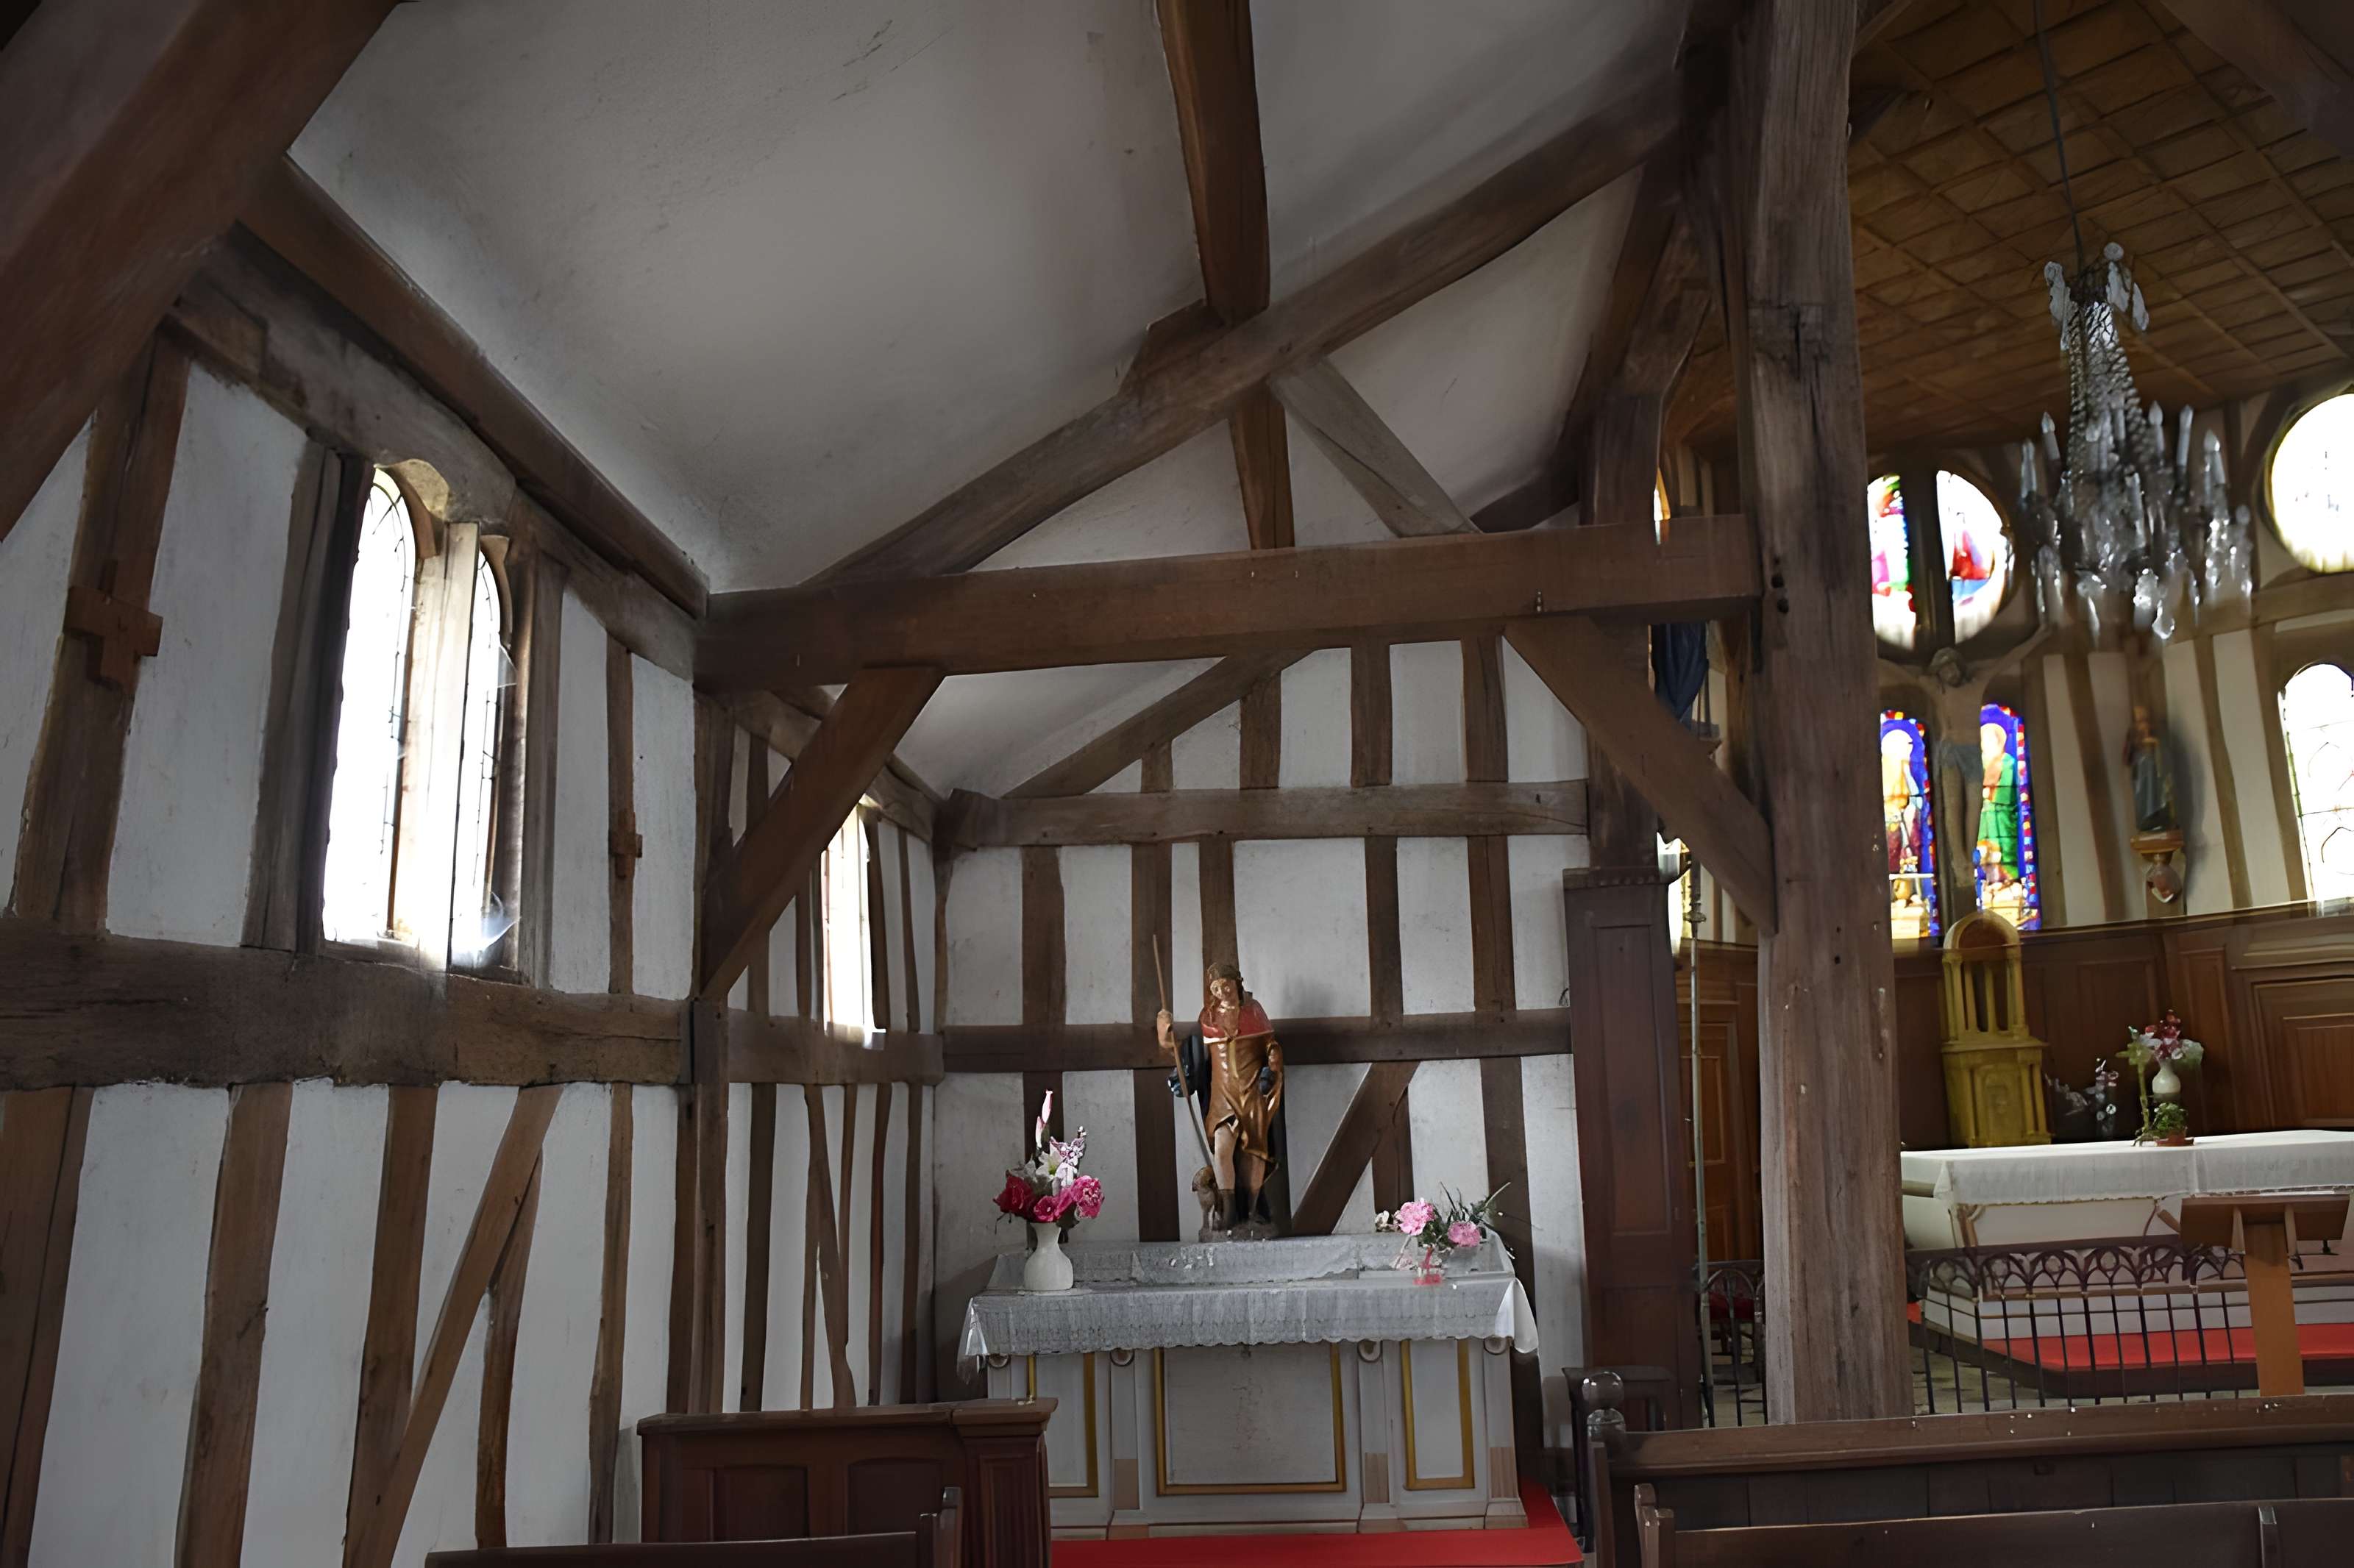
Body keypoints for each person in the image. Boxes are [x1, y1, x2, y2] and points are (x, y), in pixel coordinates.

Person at [1156, 963, 1284, 1236]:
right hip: (1222, 1095)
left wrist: (1273, 1059)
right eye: (1216, 988)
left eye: (1226, 984)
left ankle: (1251, 1214)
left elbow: (1270, 1045)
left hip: (1251, 1092)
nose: (1222, 990)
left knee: (1255, 1152)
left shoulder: (1255, 1012)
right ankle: (1228, 1213)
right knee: (1223, 1149)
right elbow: (1192, 1054)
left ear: (1237, 983)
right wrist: (1167, 1038)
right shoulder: (1209, 1017)